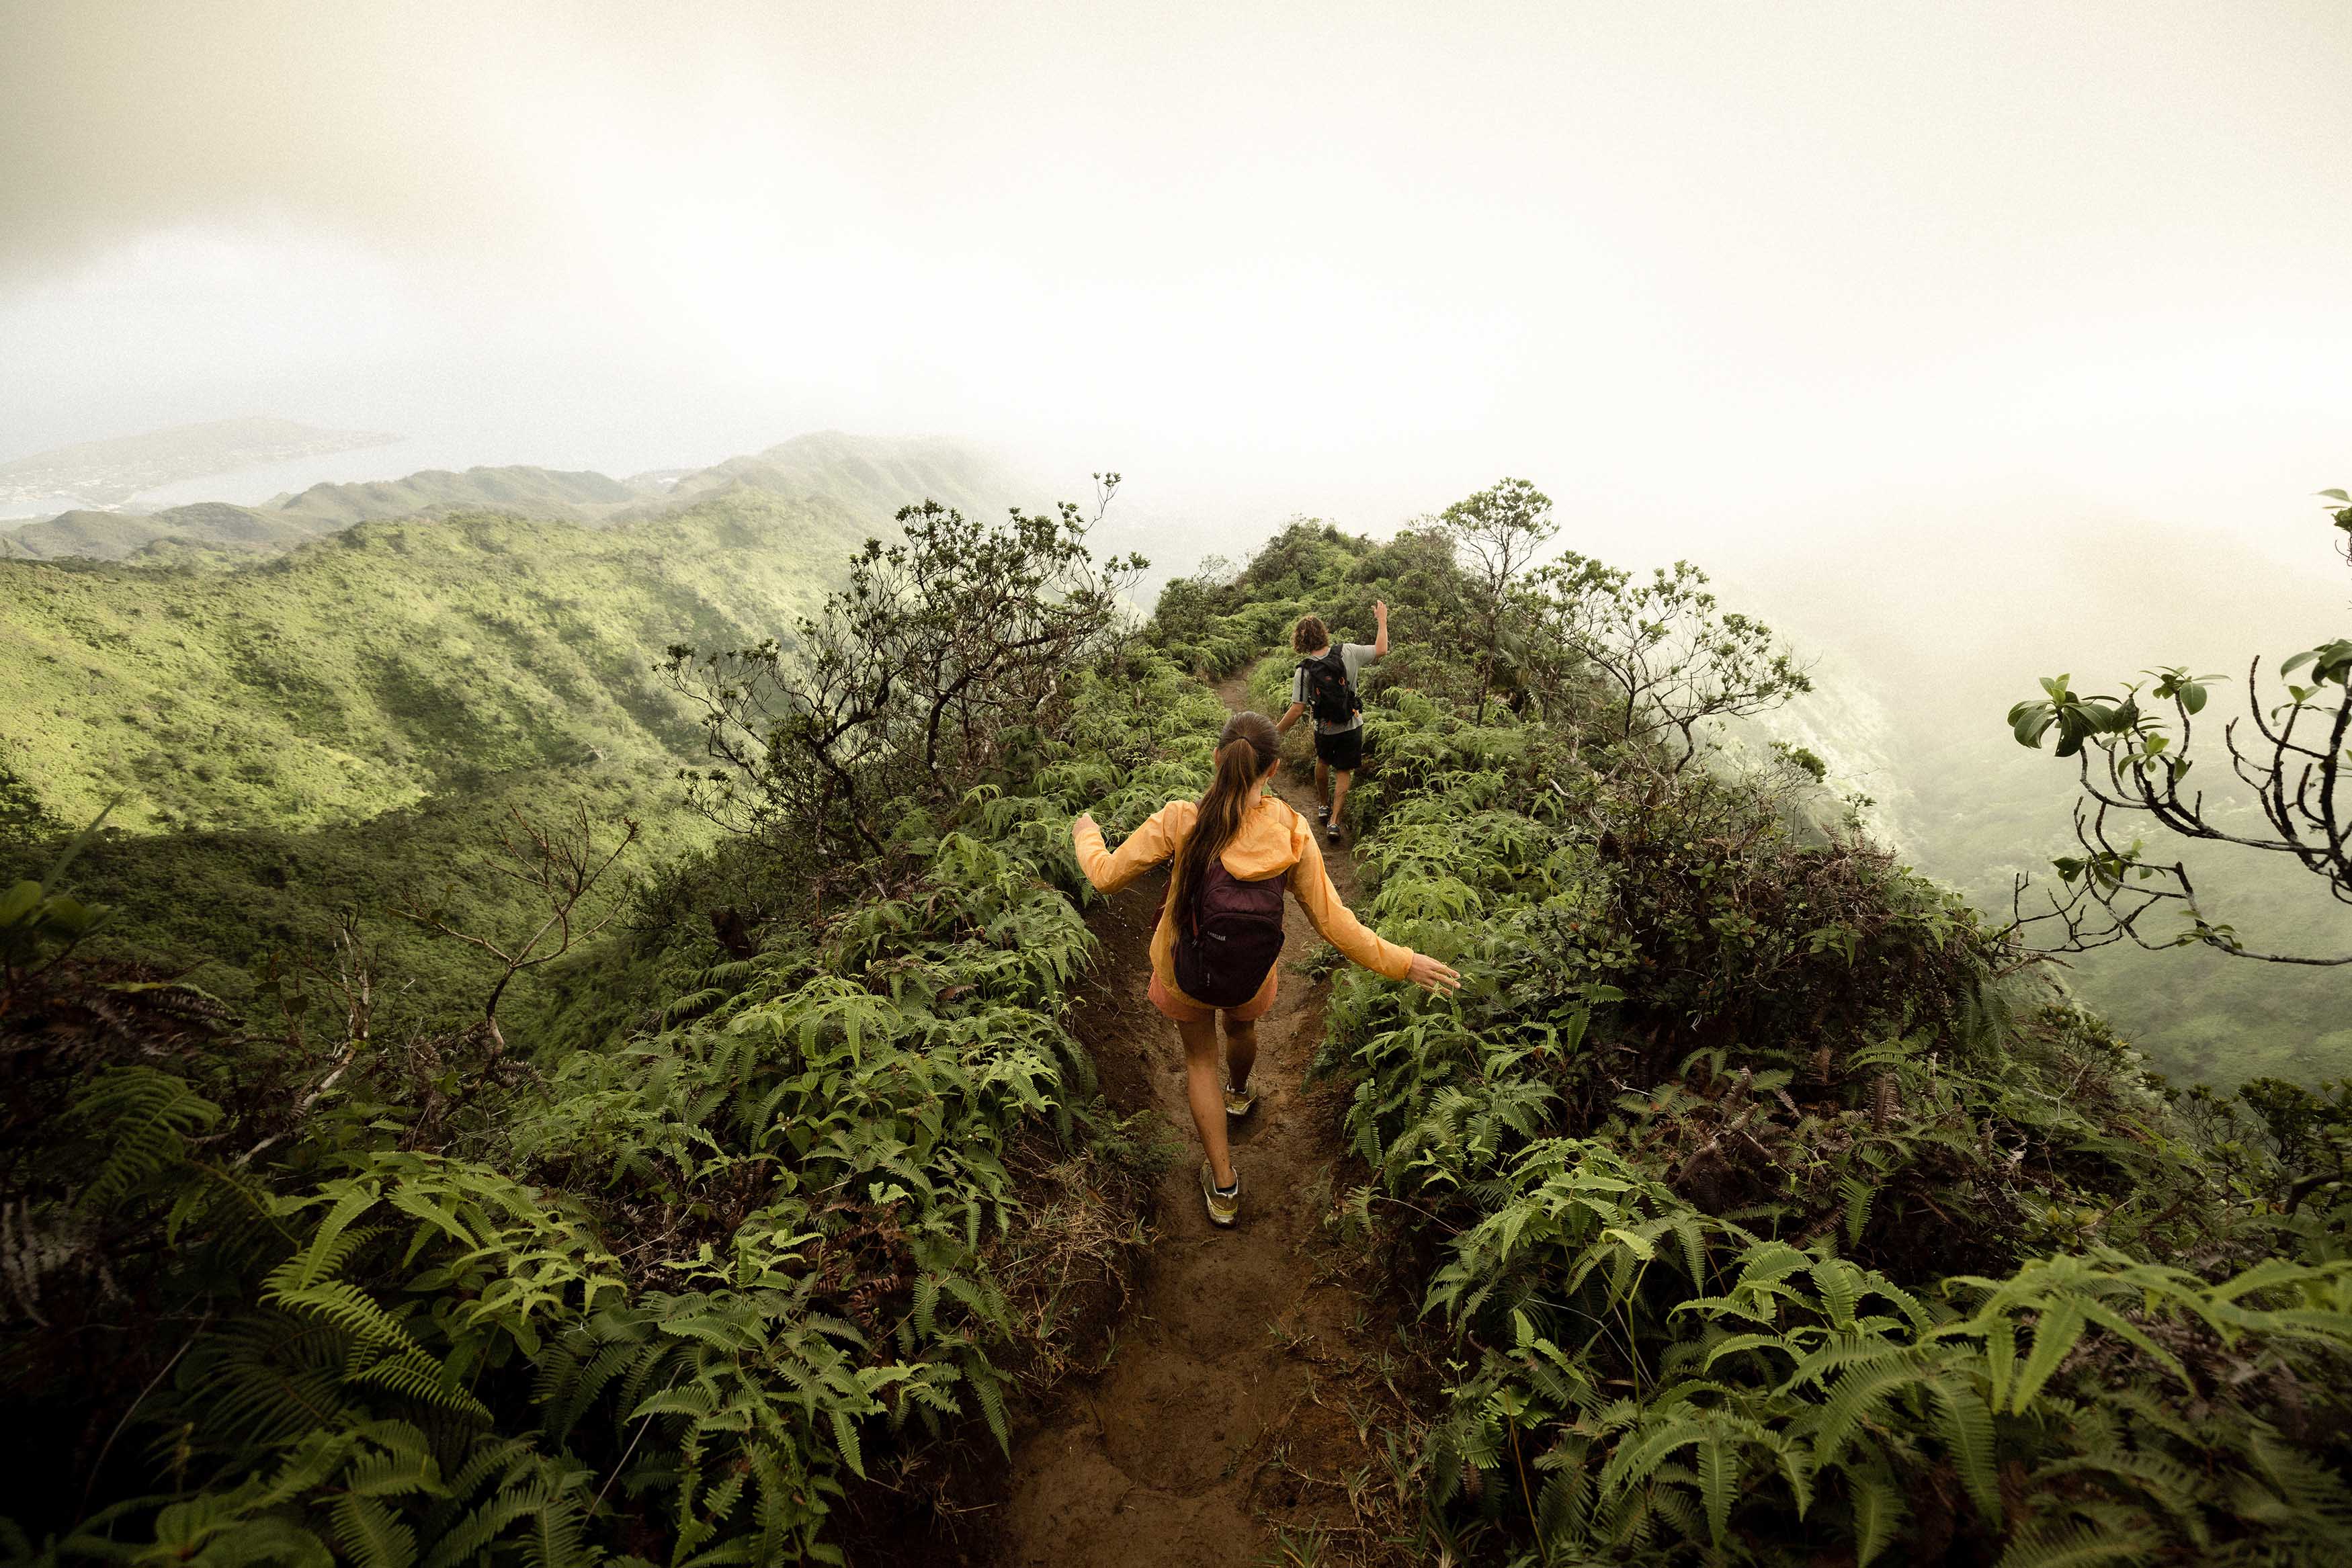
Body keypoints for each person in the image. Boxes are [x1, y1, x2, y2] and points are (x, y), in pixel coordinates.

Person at [1072, 709, 1460, 1227]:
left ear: (1217, 760)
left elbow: (1104, 877)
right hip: (1252, 970)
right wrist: (1403, 962)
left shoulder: (1181, 819)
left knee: (1199, 1063)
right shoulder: (1293, 832)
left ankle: (1225, 1188)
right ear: (1273, 770)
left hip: (1183, 969)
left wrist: (1086, 834)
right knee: (1243, 1025)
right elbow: (1334, 923)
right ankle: (1239, 1095)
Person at [1275, 601, 1386, 844]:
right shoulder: (1349, 651)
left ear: (1300, 641)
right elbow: (1381, 650)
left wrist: (1275, 733)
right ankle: (1335, 821)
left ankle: (1323, 805)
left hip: (1324, 728)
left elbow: (1297, 709)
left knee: (1323, 761)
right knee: (1344, 770)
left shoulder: (1304, 671)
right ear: (1324, 633)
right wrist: (1382, 619)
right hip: (1352, 724)